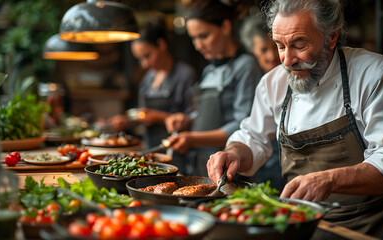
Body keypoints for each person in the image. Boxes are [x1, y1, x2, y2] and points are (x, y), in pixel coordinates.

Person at [206, 0, 383, 239]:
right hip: (306, 225)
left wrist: (329, 180)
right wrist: (235, 152)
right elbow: (253, 138)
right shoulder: (273, 83)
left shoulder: (374, 75)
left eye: (299, 45)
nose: (287, 60)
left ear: (331, 37)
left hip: (375, 225)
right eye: (280, 46)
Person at [165, 0, 263, 176]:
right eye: (193, 38)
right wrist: (187, 119)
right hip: (200, 162)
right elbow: (204, 114)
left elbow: (243, 124)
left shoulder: (246, 66)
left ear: (225, 27)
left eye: (203, 36)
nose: (197, 45)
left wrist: (193, 139)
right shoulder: (209, 70)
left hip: (230, 166)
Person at [109, 17, 197, 154]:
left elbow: (194, 119)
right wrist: (127, 121)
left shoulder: (185, 75)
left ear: (161, 45)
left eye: (147, 56)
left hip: (179, 151)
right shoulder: (147, 79)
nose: (144, 64)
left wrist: (159, 117)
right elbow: (142, 115)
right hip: (150, 149)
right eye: (139, 59)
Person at [239, 14, 284, 190]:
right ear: (252, 51)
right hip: (260, 161)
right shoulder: (254, 78)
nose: (272, 55)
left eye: (276, 47)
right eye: (263, 50)